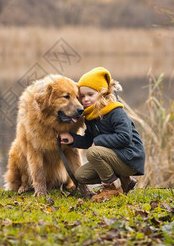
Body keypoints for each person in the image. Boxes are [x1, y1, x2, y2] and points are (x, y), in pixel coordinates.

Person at [59, 67, 145, 197]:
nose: (86, 99)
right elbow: (89, 140)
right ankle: (125, 181)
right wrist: (73, 139)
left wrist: (98, 141)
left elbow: (125, 137)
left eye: (90, 95)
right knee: (81, 176)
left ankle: (113, 188)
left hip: (130, 157)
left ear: (102, 93)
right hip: (115, 157)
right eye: (82, 96)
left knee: (94, 152)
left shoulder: (115, 111)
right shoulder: (91, 116)